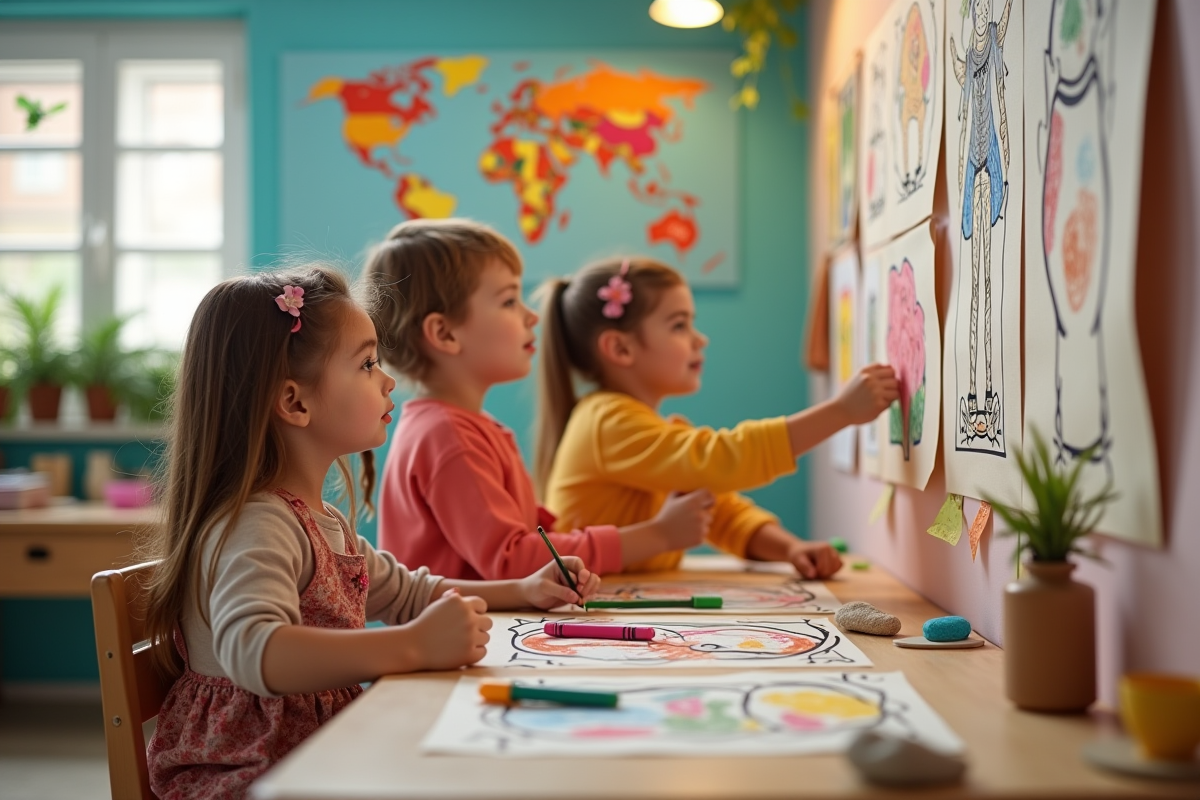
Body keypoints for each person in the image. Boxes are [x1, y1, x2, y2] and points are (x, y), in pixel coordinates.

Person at [140, 265, 597, 799]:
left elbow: (408, 593)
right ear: (295, 403)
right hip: (248, 775)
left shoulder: (321, 522)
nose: (388, 380)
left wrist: (523, 590)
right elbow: (255, 651)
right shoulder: (258, 524)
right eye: (366, 363)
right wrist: (412, 646)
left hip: (315, 756)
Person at [363, 219, 714, 581]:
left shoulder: (460, 428)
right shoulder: (448, 436)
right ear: (445, 333)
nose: (531, 316)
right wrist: (657, 536)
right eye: (509, 301)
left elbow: (520, 538)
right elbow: (510, 559)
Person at [537, 256, 899, 577]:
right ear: (620, 348)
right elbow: (722, 458)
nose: (701, 340)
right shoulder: (607, 422)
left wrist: (790, 548)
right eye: (679, 325)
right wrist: (839, 412)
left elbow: (721, 512)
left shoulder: (649, 432)